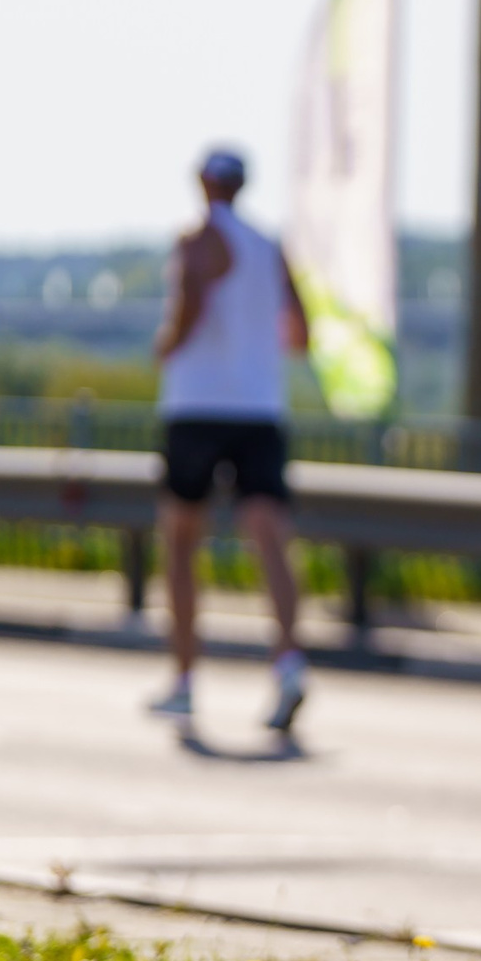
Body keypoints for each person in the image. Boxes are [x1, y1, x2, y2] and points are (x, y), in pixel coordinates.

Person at [147, 148, 314, 733]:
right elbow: (299, 333)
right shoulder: (269, 247)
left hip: (197, 403)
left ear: (202, 183)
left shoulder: (197, 237)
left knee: (181, 541)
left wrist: (169, 343)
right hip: (259, 407)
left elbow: (190, 301)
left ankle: (186, 679)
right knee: (270, 536)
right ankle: (289, 662)